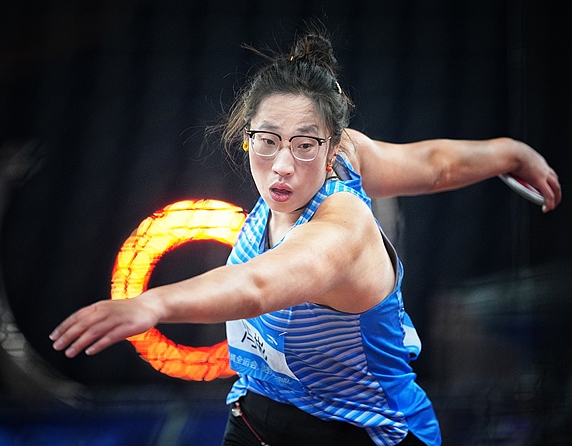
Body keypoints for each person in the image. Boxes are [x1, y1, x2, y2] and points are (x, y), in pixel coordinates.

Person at [50, 26, 561, 446]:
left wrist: (154, 304)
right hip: (259, 414)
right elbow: (435, 165)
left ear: (332, 148)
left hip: (364, 432)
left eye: (304, 145)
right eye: (267, 141)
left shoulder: (342, 229)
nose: (282, 165)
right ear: (246, 135)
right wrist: (509, 153)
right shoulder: (307, 170)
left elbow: (257, 286)